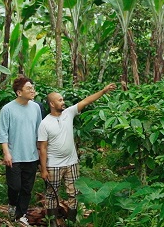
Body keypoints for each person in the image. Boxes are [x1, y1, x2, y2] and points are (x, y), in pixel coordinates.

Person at [38, 83, 117, 225]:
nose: (63, 102)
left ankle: (72, 220)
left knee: (74, 192)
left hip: (72, 163)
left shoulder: (69, 113)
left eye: (63, 100)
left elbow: (87, 100)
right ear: (51, 103)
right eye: (60, 100)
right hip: (54, 165)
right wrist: (43, 169)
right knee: (51, 194)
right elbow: (42, 148)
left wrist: (103, 91)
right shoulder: (45, 123)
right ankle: (53, 222)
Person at [0, 76, 43, 226]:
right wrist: (6, 153)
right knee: (15, 186)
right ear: (19, 92)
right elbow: (3, 133)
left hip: (31, 155)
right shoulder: (7, 109)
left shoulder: (36, 107)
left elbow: (39, 131)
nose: (33, 91)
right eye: (29, 88)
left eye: (32, 87)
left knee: (27, 188)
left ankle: (20, 215)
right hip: (14, 155)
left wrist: (41, 154)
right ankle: (12, 204)